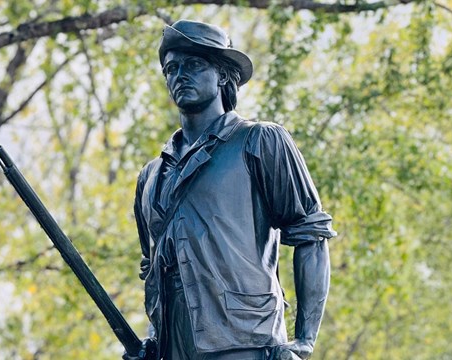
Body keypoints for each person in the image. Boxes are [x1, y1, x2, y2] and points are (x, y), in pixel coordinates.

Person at [130, 20, 336, 360]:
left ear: (224, 75)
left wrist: (304, 341)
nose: (180, 75)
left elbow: (311, 235)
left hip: (246, 342)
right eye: (172, 69)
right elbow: (156, 270)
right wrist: (152, 340)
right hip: (174, 349)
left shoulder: (259, 141)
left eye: (194, 65)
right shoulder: (151, 176)